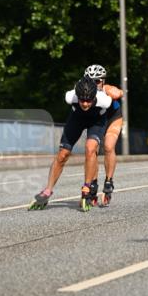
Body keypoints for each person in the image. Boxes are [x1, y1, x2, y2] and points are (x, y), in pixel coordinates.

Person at [29, 75, 112, 211]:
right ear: (77, 96)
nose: (85, 104)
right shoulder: (70, 97)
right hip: (77, 119)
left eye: (89, 101)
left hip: (97, 122)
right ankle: (48, 190)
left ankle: (87, 186)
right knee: (62, 155)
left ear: (95, 97)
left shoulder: (104, 101)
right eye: (82, 100)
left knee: (90, 148)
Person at [85, 64, 123, 206]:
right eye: (90, 80)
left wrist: (111, 91)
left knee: (108, 146)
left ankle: (108, 181)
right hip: (96, 120)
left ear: (103, 81)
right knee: (91, 150)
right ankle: (92, 183)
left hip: (113, 118)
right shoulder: (83, 91)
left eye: (97, 81)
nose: (94, 84)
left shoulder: (106, 88)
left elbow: (118, 93)